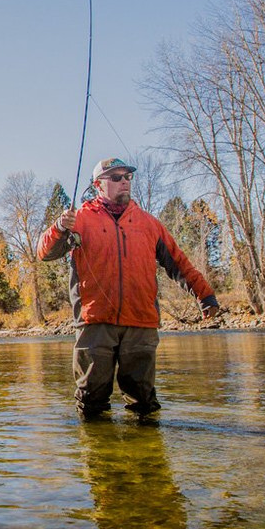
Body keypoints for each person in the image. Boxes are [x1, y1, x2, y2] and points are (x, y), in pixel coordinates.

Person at [36, 157, 220, 418]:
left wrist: (206, 295)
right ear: (98, 184)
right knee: (91, 404)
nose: (124, 182)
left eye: (127, 177)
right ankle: (100, 456)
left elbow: (178, 262)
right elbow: (45, 253)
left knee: (144, 403)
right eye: (116, 178)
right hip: (95, 323)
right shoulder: (80, 219)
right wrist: (58, 228)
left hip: (141, 323)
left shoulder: (149, 223)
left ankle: (145, 458)